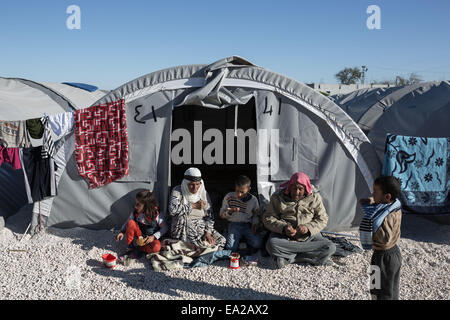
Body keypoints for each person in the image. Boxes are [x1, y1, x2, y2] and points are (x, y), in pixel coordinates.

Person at [263, 172, 336, 268]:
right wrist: (284, 227)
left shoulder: (314, 198)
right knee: (272, 245)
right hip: (284, 236)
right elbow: (268, 218)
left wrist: (308, 227)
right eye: (294, 188)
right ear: (289, 187)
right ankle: (312, 258)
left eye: (300, 189)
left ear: (305, 189)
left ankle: (289, 257)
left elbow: (322, 218)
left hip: (308, 236)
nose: (297, 192)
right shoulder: (278, 198)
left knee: (330, 247)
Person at [359, 176, 402, 300]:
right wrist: (371, 200)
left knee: (383, 292)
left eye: (375, 191)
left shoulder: (384, 218)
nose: (372, 194)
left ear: (387, 196)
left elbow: (384, 239)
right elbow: (377, 202)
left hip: (384, 257)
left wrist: (370, 235)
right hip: (390, 254)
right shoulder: (394, 205)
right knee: (383, 287)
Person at [169, 167, 226, 249]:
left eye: (197, 184)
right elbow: (172, 211)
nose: (195, 188)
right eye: (191, 184)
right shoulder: (178, 191)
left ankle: (198, 249)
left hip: (201, 227)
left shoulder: (203, 193)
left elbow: (210, 215)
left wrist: (208, 232)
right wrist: (193, 205)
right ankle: (195, 247)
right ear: (186, 183)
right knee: (200, 244)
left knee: (221, 240)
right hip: (184, 227)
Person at [115, 190, 168, 259]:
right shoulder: (136, 212)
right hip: (139, 235)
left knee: (156, 247)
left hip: (149, 239)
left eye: (138, 204)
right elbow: (128, 221)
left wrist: (154, 237)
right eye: (136, 203)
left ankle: (139, 249)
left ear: (147, 206)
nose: (135, 206)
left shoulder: (156, 214)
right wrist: (122, 231)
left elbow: (165, 228)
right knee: (131, 223)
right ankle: (130, 248)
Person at [219, 175, 263, 254]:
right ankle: (230, 234)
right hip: (233, 224)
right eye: (237, 191)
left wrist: (255, 224)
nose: (239, 194)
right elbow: (221, 215)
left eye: (242, 192)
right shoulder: (229, 197)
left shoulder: (253, 200)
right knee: (230, 248)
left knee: (258, 244)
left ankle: (242, 240)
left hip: (247, 225)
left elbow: (256, 214)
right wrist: (229, 212)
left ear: (249, 189)